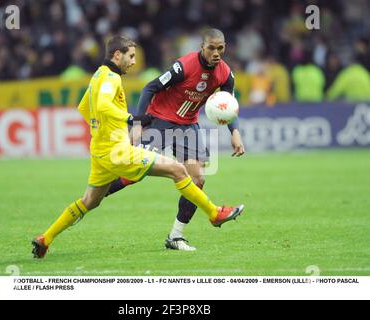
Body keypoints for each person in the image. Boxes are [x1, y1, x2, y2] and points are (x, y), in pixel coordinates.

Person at [31, 35, 244, 258]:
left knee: (91, 201)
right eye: (131, 56)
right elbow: (115, 100)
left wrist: (99, 128)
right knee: (174, 171)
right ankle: (214, 212)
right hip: (147, 129)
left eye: (221, 48)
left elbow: (85, 107)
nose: (134, 62)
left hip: (106, 147)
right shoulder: (116, 78)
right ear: (117, 55)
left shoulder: (98, 75)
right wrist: (133, 120)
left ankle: (46, 238)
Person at [104, 29, 245, 251]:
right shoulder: (184, 66)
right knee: (132, 174)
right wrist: (139, 124)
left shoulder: (226, 74)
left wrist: (235, 132)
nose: (216, 53)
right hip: (160, 119)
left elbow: (229, 105)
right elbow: (149, 87)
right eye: (211, 48)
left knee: (197, 180)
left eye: (221, 48)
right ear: (202, 47)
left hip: (188, 125)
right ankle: (95, 195)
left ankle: (176, 237)